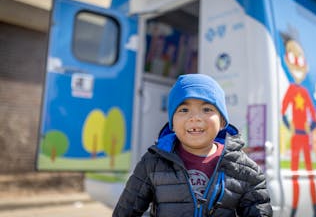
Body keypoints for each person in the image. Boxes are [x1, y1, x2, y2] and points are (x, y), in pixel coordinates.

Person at [113, 74, 273, 217]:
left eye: (206, 109)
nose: (195, 117)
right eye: (183, 109)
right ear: (172, 123)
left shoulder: (245, 170)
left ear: (222, 121)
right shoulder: (152, 164)